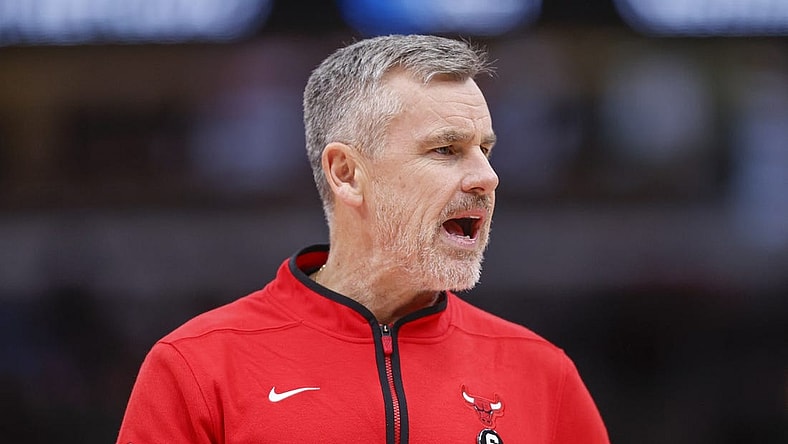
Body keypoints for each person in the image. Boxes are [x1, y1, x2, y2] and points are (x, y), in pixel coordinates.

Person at [116, 34, 609, 444]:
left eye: (485, 149)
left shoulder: (544, 374)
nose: (487, 177)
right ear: (347, 173)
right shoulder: (196, 367)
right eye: (446, 149)